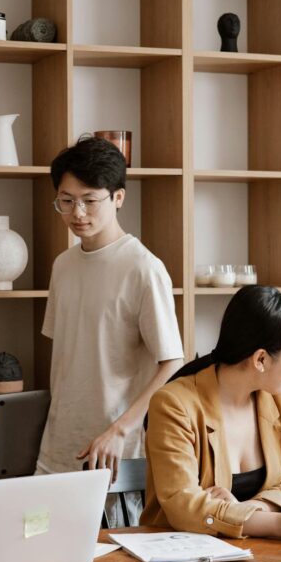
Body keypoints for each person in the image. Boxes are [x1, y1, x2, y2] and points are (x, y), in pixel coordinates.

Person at [36, 137, 185, 523]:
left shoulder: (143, 268)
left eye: (89, 200)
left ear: (118, 197)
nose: (77, 213)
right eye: (66, 201)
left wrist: (119, 430)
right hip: (57, 448)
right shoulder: (63, 265)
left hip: (114, 455)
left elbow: (172, 363)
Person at [141, 286, 281, 541]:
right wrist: (277, 523)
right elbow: (183, 505)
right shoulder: (173, 404)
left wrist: (251, 511)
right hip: (177, 558)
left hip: (260, 554)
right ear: (260, 360)